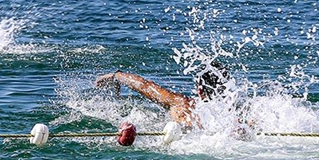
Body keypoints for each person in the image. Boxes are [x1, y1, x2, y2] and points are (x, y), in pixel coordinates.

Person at [95, 61, 230, 127]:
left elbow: (144, 86)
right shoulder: (232, 115)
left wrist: (116, 75)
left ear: (199, 89)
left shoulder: (183, 105)